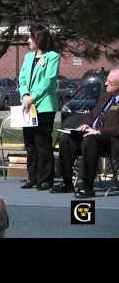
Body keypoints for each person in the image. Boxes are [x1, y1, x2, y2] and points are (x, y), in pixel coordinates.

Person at [51, 68, 119, 198]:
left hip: (109, 139)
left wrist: (98, 132)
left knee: (90, 139)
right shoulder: (105, 96)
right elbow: (92, 114)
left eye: (110, 82)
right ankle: (67, 182)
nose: (105, 84)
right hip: (92, 134)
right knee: (67, 138)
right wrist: (86, 124)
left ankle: (87, 186)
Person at [18, 24, 60, 190]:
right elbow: (21, 78)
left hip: (44, 106)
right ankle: (32, 177)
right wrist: (24, 95)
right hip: (28, 106)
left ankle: (45, 179)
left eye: (31, 38)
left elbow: (48, 82)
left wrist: (33, 98)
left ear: (39, 39)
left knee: (42, 143)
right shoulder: (28, 57)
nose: (28, 41)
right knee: (30, 144)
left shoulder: (53, 57)